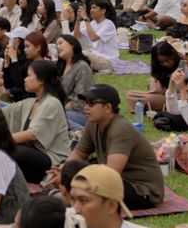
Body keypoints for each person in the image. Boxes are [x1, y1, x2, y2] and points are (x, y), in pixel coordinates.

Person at [52, 83, 165, 211]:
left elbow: (110, 174)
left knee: (92, 183)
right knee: (72, 169)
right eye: (86, 103)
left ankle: (72, 199)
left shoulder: (121, 128)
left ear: (107, 107)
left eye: (91, 104)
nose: (86, 108)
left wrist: (74, 178)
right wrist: (63, 171)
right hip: (118, 181)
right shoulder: (93, 123)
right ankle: (73, 196)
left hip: (141, 190)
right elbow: (78, 153)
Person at [0, 56, 73, 185]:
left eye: (29, 76)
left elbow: (32, 134)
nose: (25, 79)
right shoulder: (31, 102)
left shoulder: (52, 103)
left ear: (41, 80)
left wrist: (0, 140)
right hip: (31, 154)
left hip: (50, 158)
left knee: (10, 150)